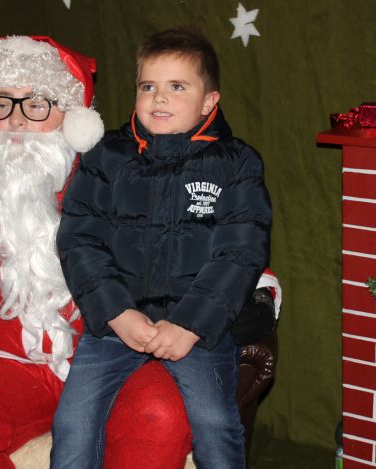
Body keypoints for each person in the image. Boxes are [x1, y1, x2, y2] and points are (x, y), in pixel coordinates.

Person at [0, 35, 281, 469]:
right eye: (1, 104)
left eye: (37, 104)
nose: (17, 120)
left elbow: (222, 240)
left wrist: (257, 294)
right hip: (9, 365)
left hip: (127, 347)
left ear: (71, 114)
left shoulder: (120, 168)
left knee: (159, 416)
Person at [52, 27, 272, 468]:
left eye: (177, 87)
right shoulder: (105, 156)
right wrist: (117, 312)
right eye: (148, 86)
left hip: (198, 327)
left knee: (216, 423)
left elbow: (241, 253)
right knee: (73, 423)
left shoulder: (237, 163)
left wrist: (190, 325)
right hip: (116, 322)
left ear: (209, 101)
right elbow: (79, 240)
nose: (159, 98)